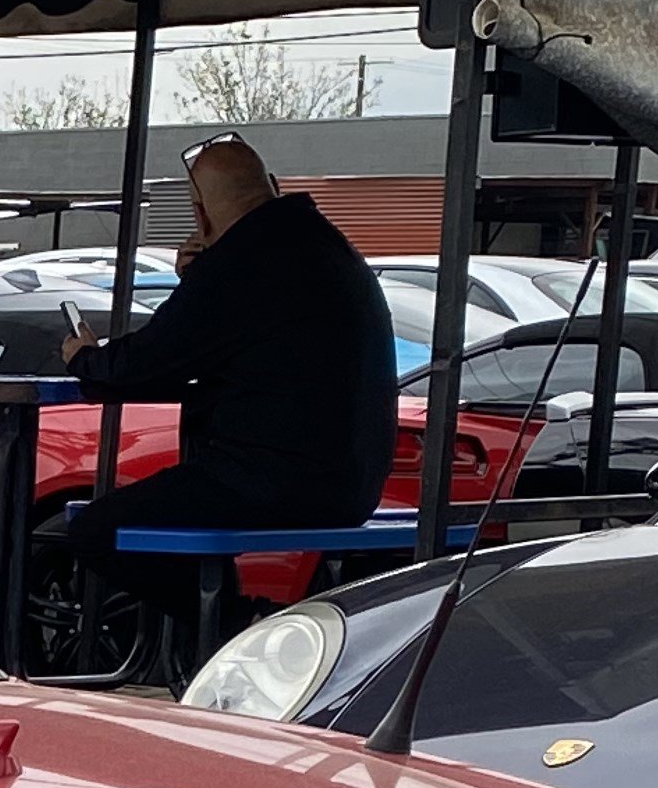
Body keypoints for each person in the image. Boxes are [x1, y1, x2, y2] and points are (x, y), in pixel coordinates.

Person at [47, 135, 399, 656]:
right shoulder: (322, 245)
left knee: (98, 527)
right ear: (271, 187)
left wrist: (82, 356)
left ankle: (240, 630)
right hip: (352, 481)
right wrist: (202, 274)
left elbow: (138, 366)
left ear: (199, 209)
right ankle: (223, 632)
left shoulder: (242, 264)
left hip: (272, 479)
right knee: (174, 510)